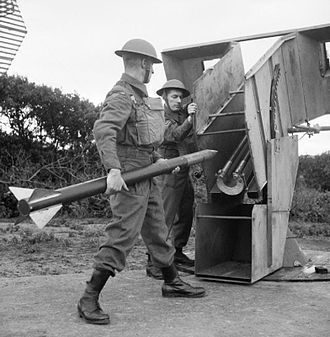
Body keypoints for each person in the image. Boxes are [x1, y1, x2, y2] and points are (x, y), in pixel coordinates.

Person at [77, 39, 206, 325]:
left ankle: (171, 281)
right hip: (129, 180)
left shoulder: (139, 97)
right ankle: (88, 297)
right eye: (152, 68)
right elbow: (104, 131)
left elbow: (140, 139)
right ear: (145, 65)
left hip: (147, 174)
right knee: (122, 234)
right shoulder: (122, 95)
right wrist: (113, 170)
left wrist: (158, 158)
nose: (153, 73)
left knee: (158, 230)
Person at [146, 79, 197, 279]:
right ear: (164, 97)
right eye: (173, 96)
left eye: (180, 97)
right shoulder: (161, 114)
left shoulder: (180, 112)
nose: (177, 100)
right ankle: (153, 262)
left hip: (182, 168)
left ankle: (176, 252)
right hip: (167, 169)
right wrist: (190, 119)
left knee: (185, 210)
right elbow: (173, 135)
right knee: (165, 215)